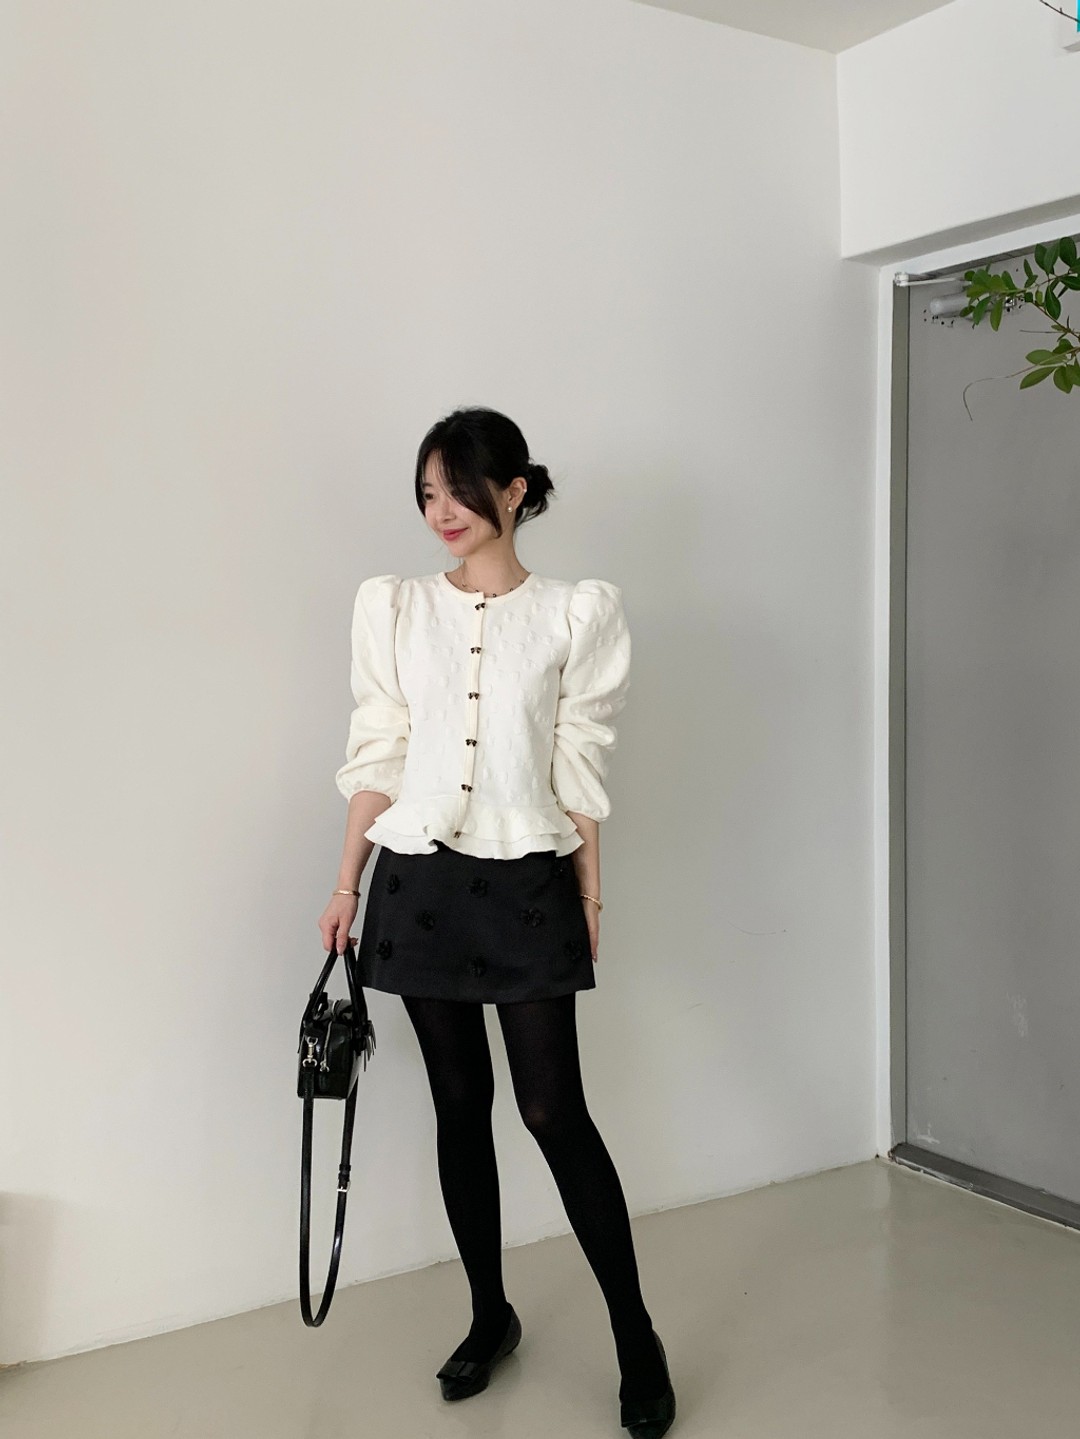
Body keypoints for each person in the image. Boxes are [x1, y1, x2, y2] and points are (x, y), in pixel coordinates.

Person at [317, 407, 676, 1438]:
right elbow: (381, 748)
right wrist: (345, 883)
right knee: (459, 1103)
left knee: (554, 1111)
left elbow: (578, 765)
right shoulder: (395, 609)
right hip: (420, 881)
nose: (442, 511)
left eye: (461, 489)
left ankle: (637, 1337)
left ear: (515, 490)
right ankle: (490, 1314)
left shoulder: (573, 614)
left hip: (526, 881)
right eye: (428, 492)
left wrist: (589, 896)